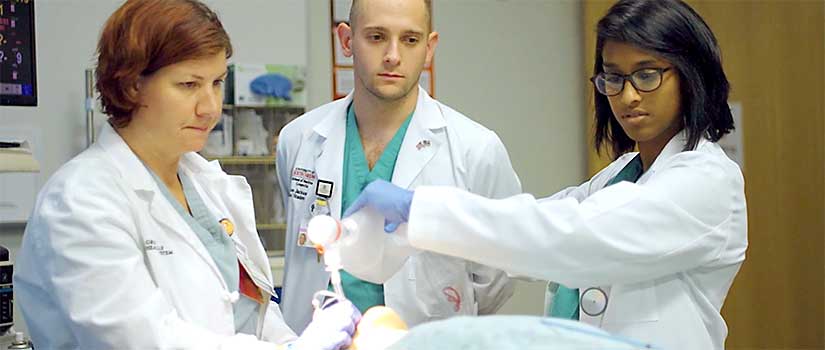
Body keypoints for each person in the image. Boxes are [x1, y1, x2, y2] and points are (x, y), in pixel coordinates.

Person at [344, 0, 748, 349]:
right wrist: (400, 235)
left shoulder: (707, 181)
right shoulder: (621, 175)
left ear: (690, 74)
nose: (626, 96)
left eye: (647, 75)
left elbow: (567, 235)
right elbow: (532, 224)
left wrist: (421, 211)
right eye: (614, 77)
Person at [13, 1, 359, 349]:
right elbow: (143, 340)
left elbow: (253, 308)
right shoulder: (80, 202)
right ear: (133, 85)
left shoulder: (207, 185)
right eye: (189, 85)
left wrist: (292, 342)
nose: (210, 107)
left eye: (217, 83)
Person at [276, 0, 520, 332]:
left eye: (410, 39)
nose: (393, 55)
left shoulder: (476, 150)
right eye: (376, 37)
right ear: (346, 41)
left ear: (429, 47)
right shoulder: (299, 140)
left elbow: (495, 278)